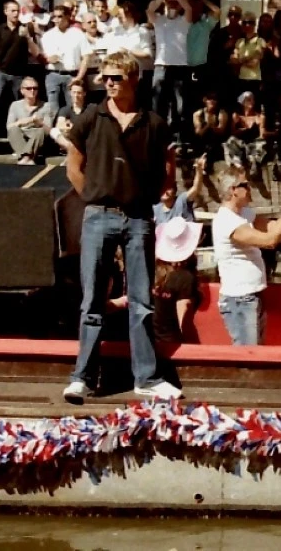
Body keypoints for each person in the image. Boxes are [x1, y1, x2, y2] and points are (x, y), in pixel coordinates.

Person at [62, 51, 180, 404]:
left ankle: (146, 377)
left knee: (142, 300)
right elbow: (73, 166)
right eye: (106, 77)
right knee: (92, 299)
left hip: (139, 217)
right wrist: (95, 198)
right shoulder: (90, 117)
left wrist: (146, 199)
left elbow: (169, 169)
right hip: (99, 214)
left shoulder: (154, 123)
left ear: (133, 79)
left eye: (116, 77)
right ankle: (82, 376)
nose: (109, 83)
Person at [212, 174, 281, 345]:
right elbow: (270, 241)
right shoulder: (226, 221)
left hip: (252, 295)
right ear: (234, 190)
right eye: (245, 185)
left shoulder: (246, 214)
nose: (250, 188)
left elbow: (278, 230)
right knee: (249, 355)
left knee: (256, 350)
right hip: (240, 299)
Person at [0, 1, 40, 136]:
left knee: (17, 101)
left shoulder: (25, 29)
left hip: (19, 74)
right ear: (5, 12)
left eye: (17, 11)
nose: (15, 13)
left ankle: (17, 129)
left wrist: (28, 37)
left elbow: (35, 52)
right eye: (12, 11)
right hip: (0, 71)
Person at [148, 0, 194, 136]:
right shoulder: (159, 20)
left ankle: (179, 138)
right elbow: (150, 9)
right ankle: (158, 136)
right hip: (161, 66)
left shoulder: (184, 21)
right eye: (170, 3)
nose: (172, 5)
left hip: (180, 67)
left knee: (180, 106)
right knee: (158, 104)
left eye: (175, 3)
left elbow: (188, 7)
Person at [152, 217, 202, 343]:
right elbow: (184, 320)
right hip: (172, 344)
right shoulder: (185, 278)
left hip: (150, 342)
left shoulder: (154, 272)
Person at [41, 4, 92, 111]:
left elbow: (86, 57)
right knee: (52, 109)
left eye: (60, 16)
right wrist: (48, 59)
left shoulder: (78, 34)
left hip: (72, 76)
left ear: (68, 17)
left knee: (74, 107)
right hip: (53, 75)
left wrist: (79, 77)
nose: (56, 20)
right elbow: (42, 56)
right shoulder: (47, 36)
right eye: (54, 17)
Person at [5, 77, 53, 164]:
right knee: (13, 129)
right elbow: (9, 127)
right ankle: (27, 157)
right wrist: (21, 122)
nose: (32, 91)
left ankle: (25, 157)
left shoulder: (46, 106)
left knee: (41, 131)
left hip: (37, 138)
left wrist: (40, 123)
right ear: (22, 90)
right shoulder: (15, 105)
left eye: (35, 88)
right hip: (22, 136)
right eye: (28, 88)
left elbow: (49, 130)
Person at [223, 91, 268, 178]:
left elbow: (262, 135)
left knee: (261, 142)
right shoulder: (236, 116)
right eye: (248, 100)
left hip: (253, 144)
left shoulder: (259, 117)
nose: (251, 102)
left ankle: (254, 162)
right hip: (241, 144)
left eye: (252, 100)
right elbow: (233, 133)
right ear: (243, 102)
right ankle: (238, 166)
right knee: (230, 141)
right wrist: (241, 130)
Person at [154, 154, 205, 225]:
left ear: (174, 191)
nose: (165, 192)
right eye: (163, 188)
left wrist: (199, 170)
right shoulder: (156, 209)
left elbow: (196, 188)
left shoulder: (181, 200)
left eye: (168, 188)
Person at [51, 80, 93, 151]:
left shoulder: (91, 108)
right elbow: (59, 125)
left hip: (85, 140)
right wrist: (66, 127)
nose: (76, 95)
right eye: (74, 92)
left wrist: (72, 126)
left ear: (84, 93)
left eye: (79, 93)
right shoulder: (65, 109)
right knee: (54, 131)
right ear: (70, 93)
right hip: (70, 140)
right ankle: (72, 149)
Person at [192, 92, 229, 163]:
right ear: (205, 100)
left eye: (214, 99)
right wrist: (208, 124)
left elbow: (221, 131)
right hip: (202, 142)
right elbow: (198, 133)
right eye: (209, 98)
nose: (212, 101)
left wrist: (212, 126)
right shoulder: (198, 114)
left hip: (216, 143)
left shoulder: (222, 113)